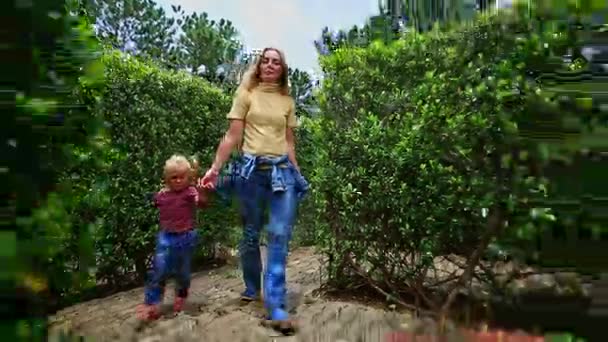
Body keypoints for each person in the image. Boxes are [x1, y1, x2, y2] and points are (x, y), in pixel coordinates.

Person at [199, 47, 308, 333]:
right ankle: (251, 286)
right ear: (258, 66)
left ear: (282, 69)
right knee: (250, 236)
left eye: (276, 62)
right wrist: (214, 169)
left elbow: (289, 141)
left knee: (279, 236)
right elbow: (232, 135)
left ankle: (276, 306)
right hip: (251, 175)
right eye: (266, 61)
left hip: (281, 173)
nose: (271, 65)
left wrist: (297, 173)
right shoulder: (246, 94)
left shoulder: (287, 101)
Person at [137, 155, 208, 321]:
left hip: (186, 236)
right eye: (173, 178)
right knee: (159, 268)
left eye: (181, 177)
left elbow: (201, 203)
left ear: (188, 177)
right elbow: (153, 201)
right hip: (166, 237)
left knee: (182, 272)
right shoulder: (162, 195)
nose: (177, 181)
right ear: (167, 179)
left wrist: (202, 190)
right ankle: (152, 303)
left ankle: (181, 294)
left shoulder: (190, 192)